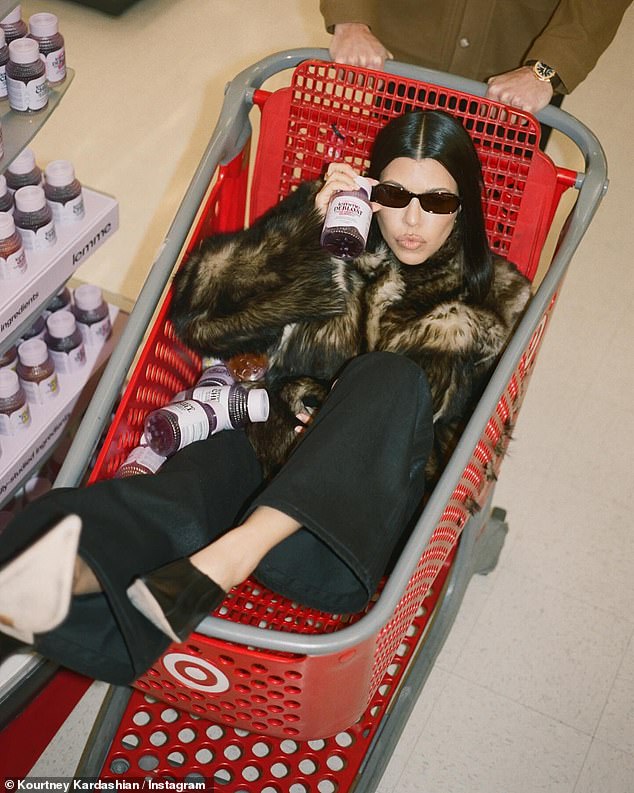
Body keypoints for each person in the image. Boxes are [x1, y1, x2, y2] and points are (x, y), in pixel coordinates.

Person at [0, 110, 531, 686]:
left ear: (465, 205)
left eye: (438, 202)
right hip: (252, 483)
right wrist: (302, 225)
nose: (412, 219)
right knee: (198, 472)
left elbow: (462, 456)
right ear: (372, 189)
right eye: (396, 193)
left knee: (389, 380)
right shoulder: (336, 243)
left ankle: (232, 556)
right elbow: (197, 315)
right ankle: (45, 577)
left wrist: (343, 429)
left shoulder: (497, 301)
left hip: (339, 538)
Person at [320, 0, 631, 115]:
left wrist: (545, 70)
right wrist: (350, 18)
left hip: (517, 78)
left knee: (488, 227)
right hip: (395, 59)